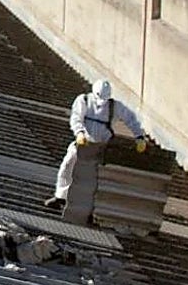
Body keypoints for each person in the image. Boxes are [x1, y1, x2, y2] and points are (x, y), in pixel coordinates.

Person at [45, 79, 146, 209]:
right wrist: (79, 133)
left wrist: (139, 137)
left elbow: (131, 119)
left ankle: (92, 207)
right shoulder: (84, 100)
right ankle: (61, 197)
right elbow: (76, 118)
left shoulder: (114, 106)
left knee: (95, 178)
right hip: (83, 143)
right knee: (67, 166)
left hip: (101, 147)